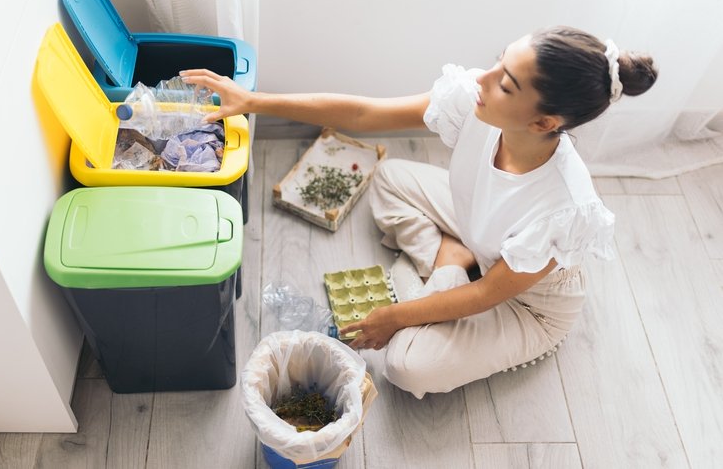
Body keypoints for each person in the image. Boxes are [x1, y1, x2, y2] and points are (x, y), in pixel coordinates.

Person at [180, 25, 658, 398]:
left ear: (543, 122)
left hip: (526, 303)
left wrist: (396, 316)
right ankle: (451, 259)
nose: (482, 80)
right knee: (388, 180)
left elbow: (488, 295)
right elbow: (367, 115)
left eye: (505, 84)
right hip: (482, 233)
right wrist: (254, 101)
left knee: (406, 368)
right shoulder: (478, 101)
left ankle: (448, 262)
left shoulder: (562, 205)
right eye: (497, 62)